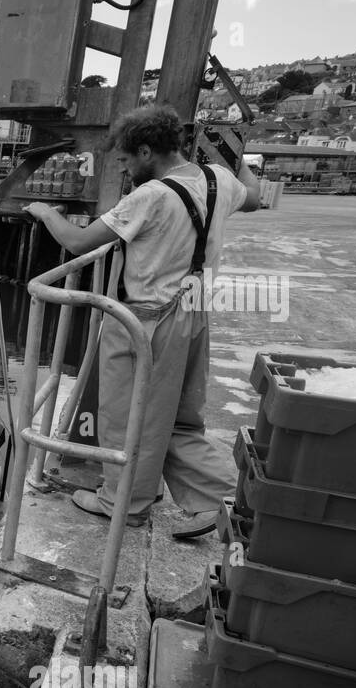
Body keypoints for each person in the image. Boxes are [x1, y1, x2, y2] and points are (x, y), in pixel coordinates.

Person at [24, 104, 261, 537]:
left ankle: (124, 503)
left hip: (144, 321)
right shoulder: (218, 180)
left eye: (128, 160)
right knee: (177, 417)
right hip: (193, 314)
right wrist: (237, 156)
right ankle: (217, 500)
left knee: (125, 414)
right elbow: (257, 196)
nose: (126, 169)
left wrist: (44, 211)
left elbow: (78, 242)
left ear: (148, 151)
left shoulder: (150, 197)